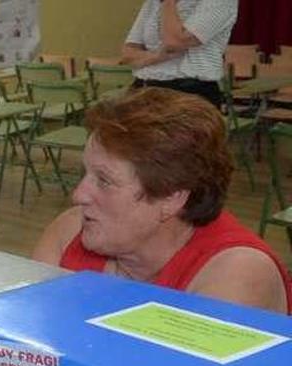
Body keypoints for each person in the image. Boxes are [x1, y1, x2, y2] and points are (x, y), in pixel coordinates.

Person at [34, 87, 290, 314]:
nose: (78, 195)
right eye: (85, 173)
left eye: (104, 181)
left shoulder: (237, 273)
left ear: (172, 197)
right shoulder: (68, 232)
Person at [120, 0, 238, 108]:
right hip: (143, 88)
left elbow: (174, 42)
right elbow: (128, 53)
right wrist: (157, 56)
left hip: (188, 92)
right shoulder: (153, 2)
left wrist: (168, 3)